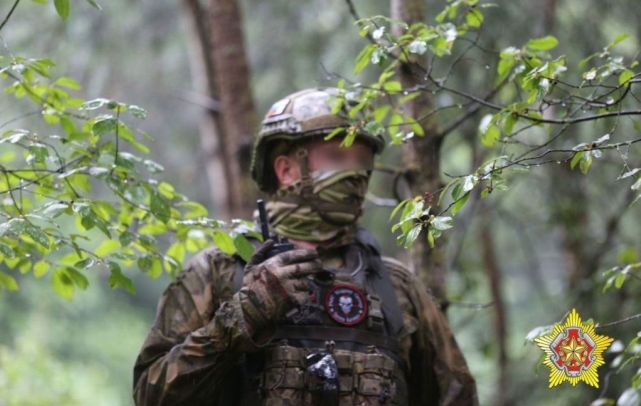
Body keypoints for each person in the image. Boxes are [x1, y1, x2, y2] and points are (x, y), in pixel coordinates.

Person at [133, 88, 478, 405]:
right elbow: (151, 395)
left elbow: (457, 397)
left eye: (362, 161)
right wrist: (239, 320)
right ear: (286, 169)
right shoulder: (219, 272)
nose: (355, 173)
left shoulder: (397, 286)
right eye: (336, 157)